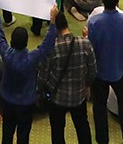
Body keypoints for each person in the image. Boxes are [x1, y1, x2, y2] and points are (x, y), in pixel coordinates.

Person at [0, 0, 57, 144]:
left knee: (7, 132)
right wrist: (53, 22)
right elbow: (47, 44)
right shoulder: (33, 58)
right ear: (27, 42)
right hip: (26, 102)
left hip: (7, 100)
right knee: (24, 134)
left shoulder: (6, 54)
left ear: (12, 41)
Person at [86, 0, 123, 144]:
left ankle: (102, 140)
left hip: (99, 72)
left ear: (102, 1)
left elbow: (90, 49)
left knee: (99, 107)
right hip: (120, 70)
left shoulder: (93, 22)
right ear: (117, 2)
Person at [38, 11, 97, 144]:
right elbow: (93, 71)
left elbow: (43, 75)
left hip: (57, 98)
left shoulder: (51, 48)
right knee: (82, 127)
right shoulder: (85, 43)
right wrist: (87, 85)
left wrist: (39, 90)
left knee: (57, 130)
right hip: (79, 96)